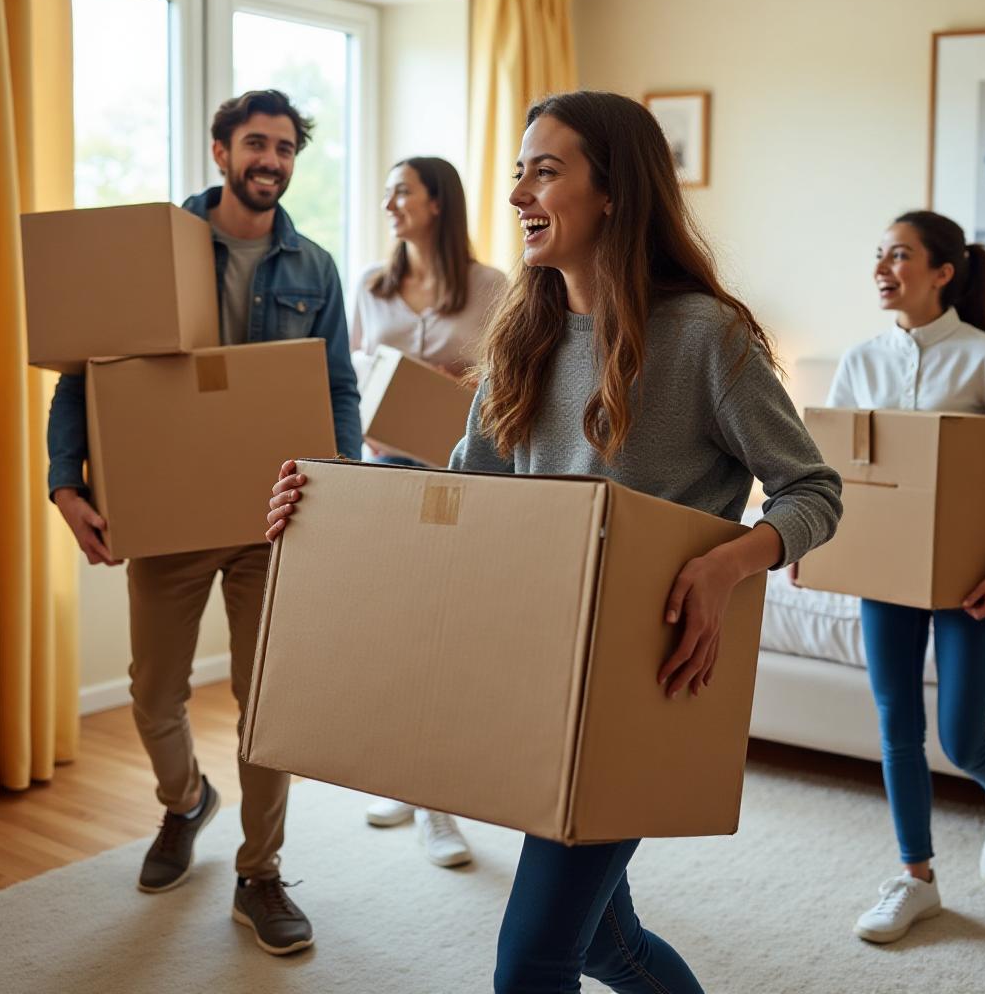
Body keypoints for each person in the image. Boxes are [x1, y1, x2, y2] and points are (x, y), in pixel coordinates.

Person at [266, 91, 843, 992]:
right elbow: (467, 495)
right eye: (516, 173)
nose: (517, 195)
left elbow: (813, 490)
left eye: (545, 170)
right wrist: (332, 496)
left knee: (531, 961)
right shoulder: (523, 334)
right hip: (533, 670)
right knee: (606, 944)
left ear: (613, 190)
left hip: (640, 683)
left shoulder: (703, 336)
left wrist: (729, 561)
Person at [45, 89, 362, 958]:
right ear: (220, 151)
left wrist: (342, 484)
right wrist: (64, 484)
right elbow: (83, 369)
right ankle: (185, 802)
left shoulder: (315, 268)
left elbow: (335, 387)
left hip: (271, 516)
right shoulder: (153, 250)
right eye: (256, 144)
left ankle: (260, 872)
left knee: (269, 703)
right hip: (168, 513)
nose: (272, 160)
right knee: (153, 692)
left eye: (286, 148)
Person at [824, 210, 985, 944]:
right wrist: (818, 551)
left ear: (942, 272)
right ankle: (916, 876)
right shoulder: (859, 361)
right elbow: (832, 476)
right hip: (886, 579)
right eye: (878, 255)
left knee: (961, 740)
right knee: (898, 727)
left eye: (899, 255)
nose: (882, 269)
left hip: (971, 582)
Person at [348, 154, 509, 866]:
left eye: (401, 192)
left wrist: (460, 379)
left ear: (437, 201)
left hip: (460, 478)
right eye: (387, 193)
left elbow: (513, 377)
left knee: (445, 636)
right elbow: (351, 371)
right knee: (395, 633)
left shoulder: (490, 287)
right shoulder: (371, 287)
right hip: (386, 471)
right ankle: (407, 783)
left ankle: (441, 802)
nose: (389, 204)